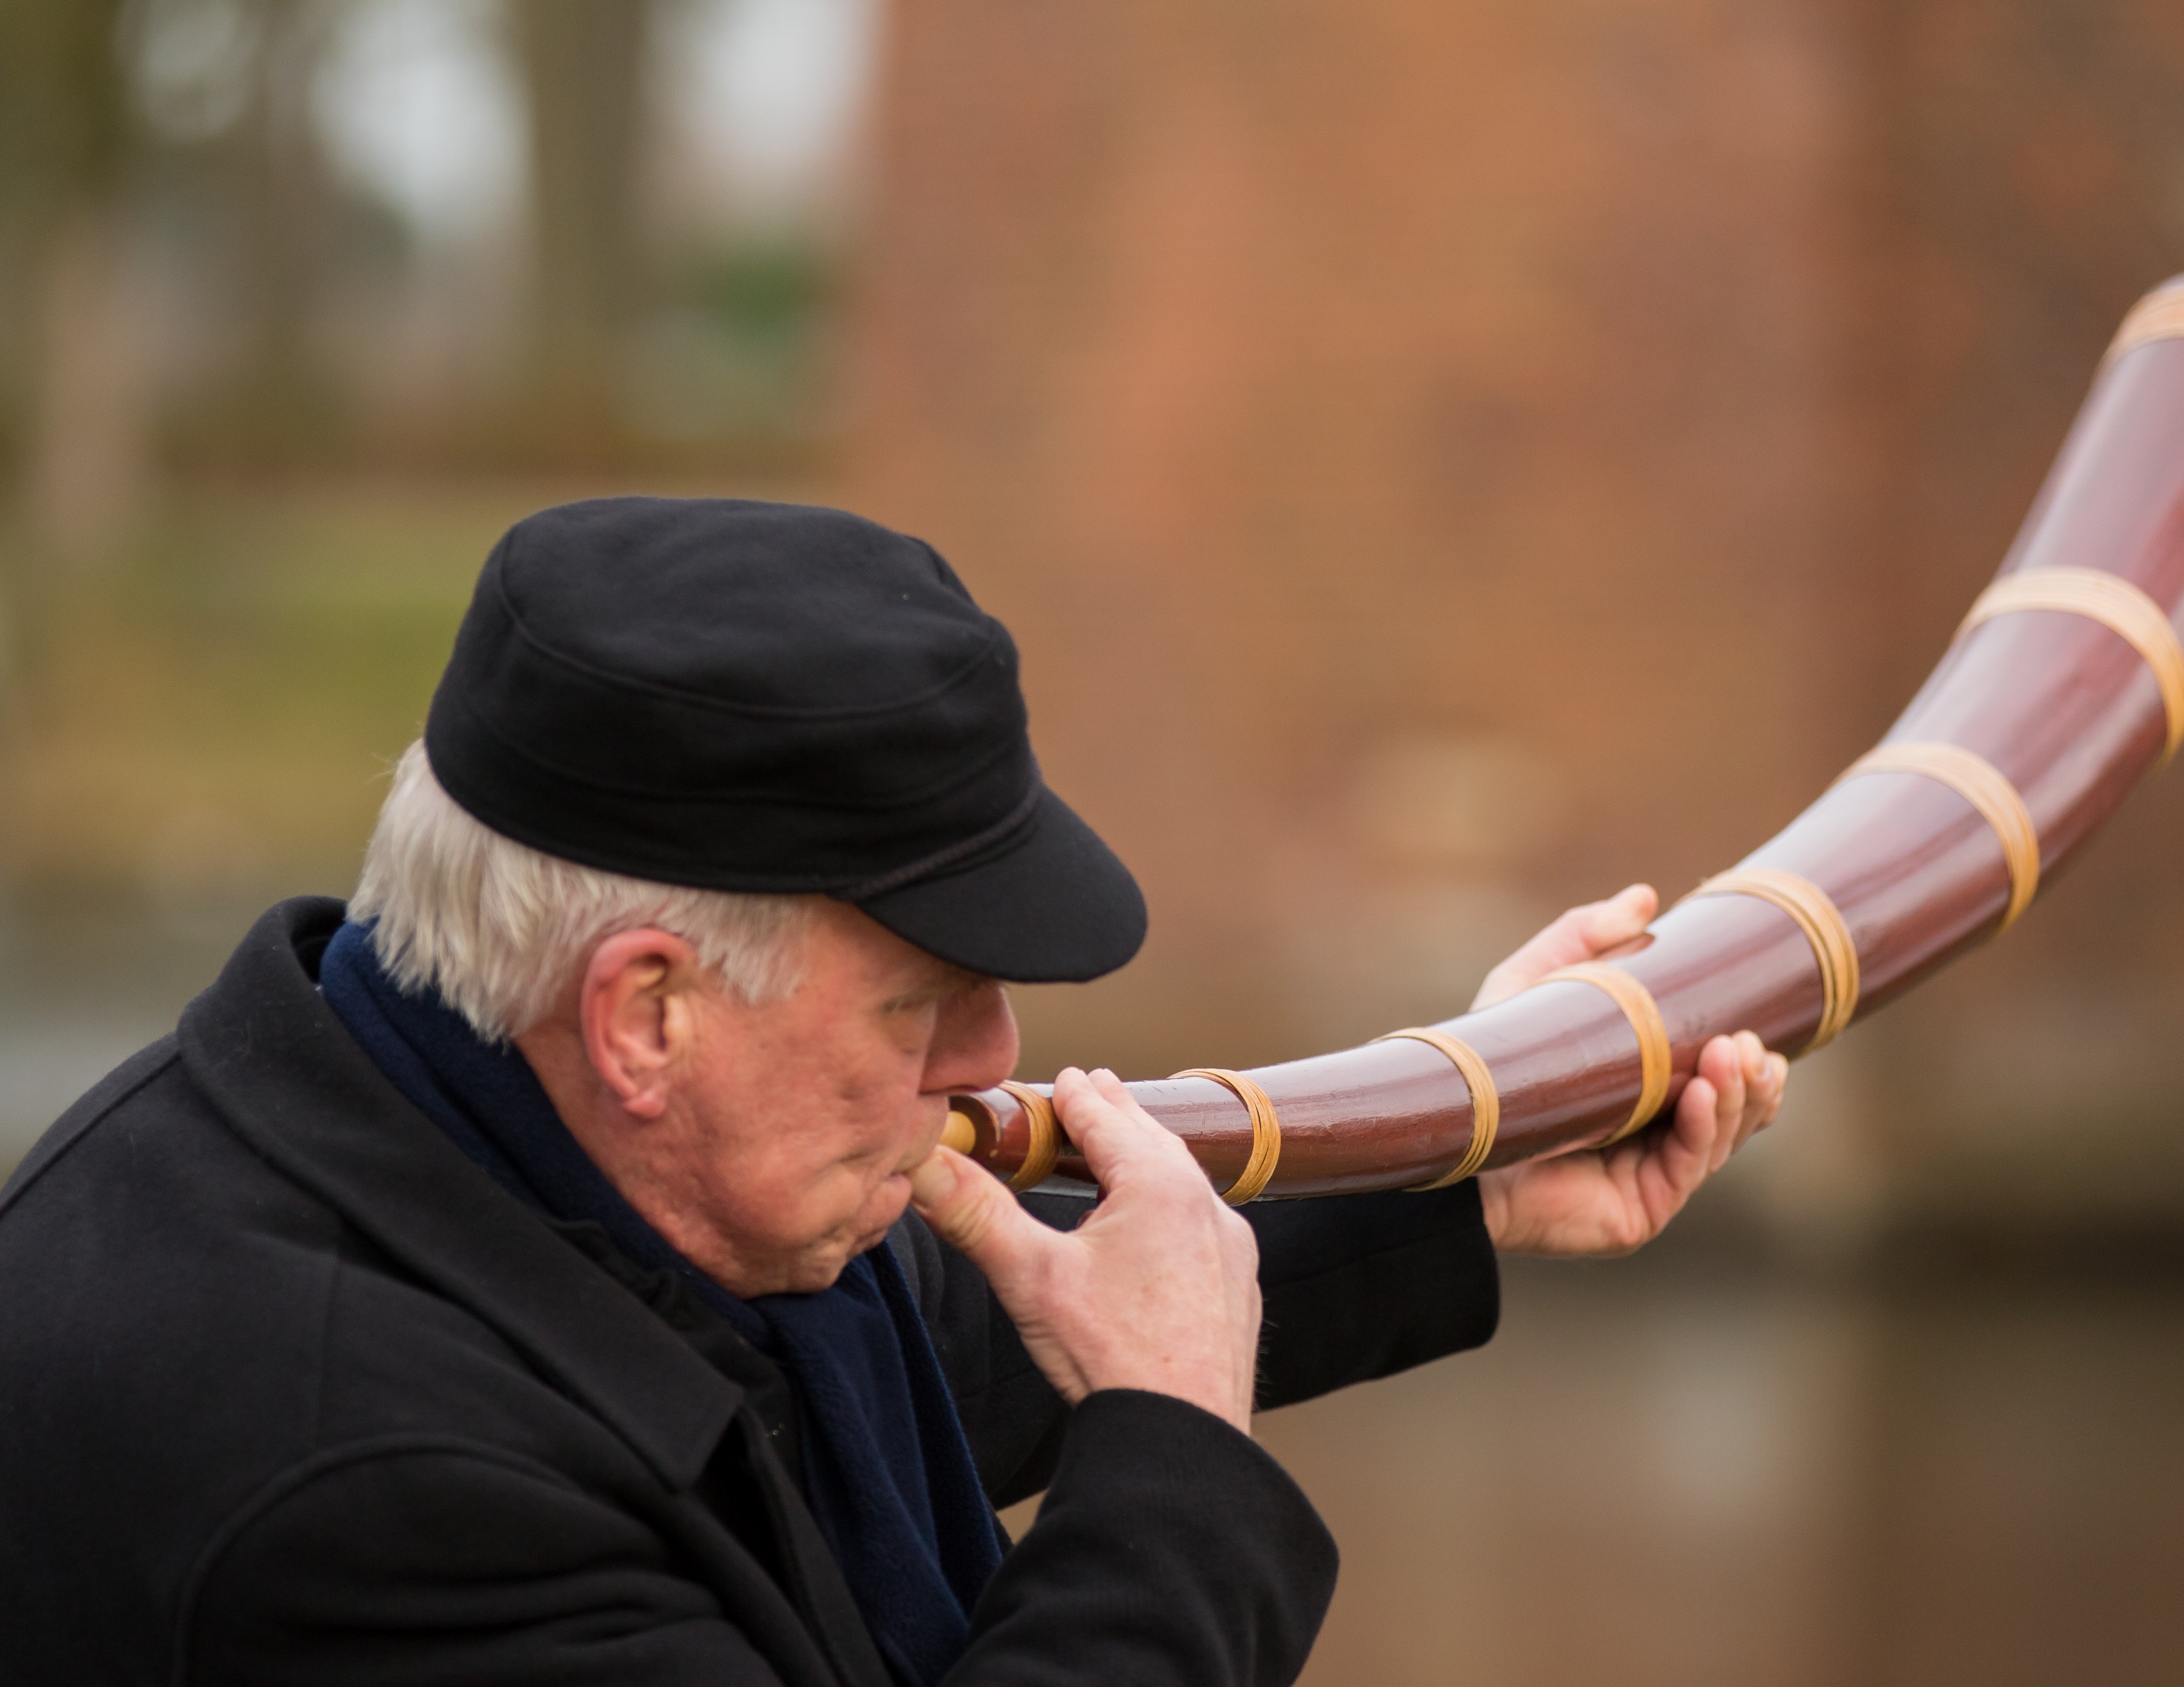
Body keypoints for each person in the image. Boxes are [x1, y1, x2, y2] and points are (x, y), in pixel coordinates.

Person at [0, 497, 1785, 1687]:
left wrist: (1470, 1168)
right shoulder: (362, 1488)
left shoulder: (489, 1122)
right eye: (925, 999)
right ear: (648, 1016)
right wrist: (1166, 1455)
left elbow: (907, 1330)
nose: (989, 1062)